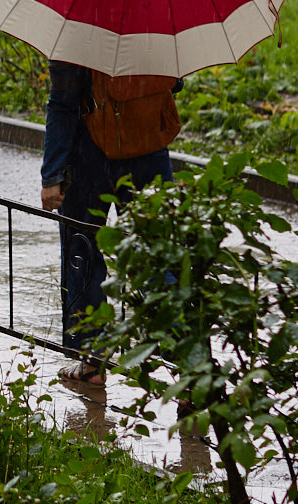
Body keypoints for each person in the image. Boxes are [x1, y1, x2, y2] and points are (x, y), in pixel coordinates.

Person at [40, 60, 180, 385]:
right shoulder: (157, 20)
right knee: (160, 254)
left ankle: (92, 359)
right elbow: (173, 83)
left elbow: (63, 102)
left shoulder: (78, 28)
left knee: (82, 251)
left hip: (89, 149)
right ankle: (185, 367)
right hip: (149, 149)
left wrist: (52, 174)